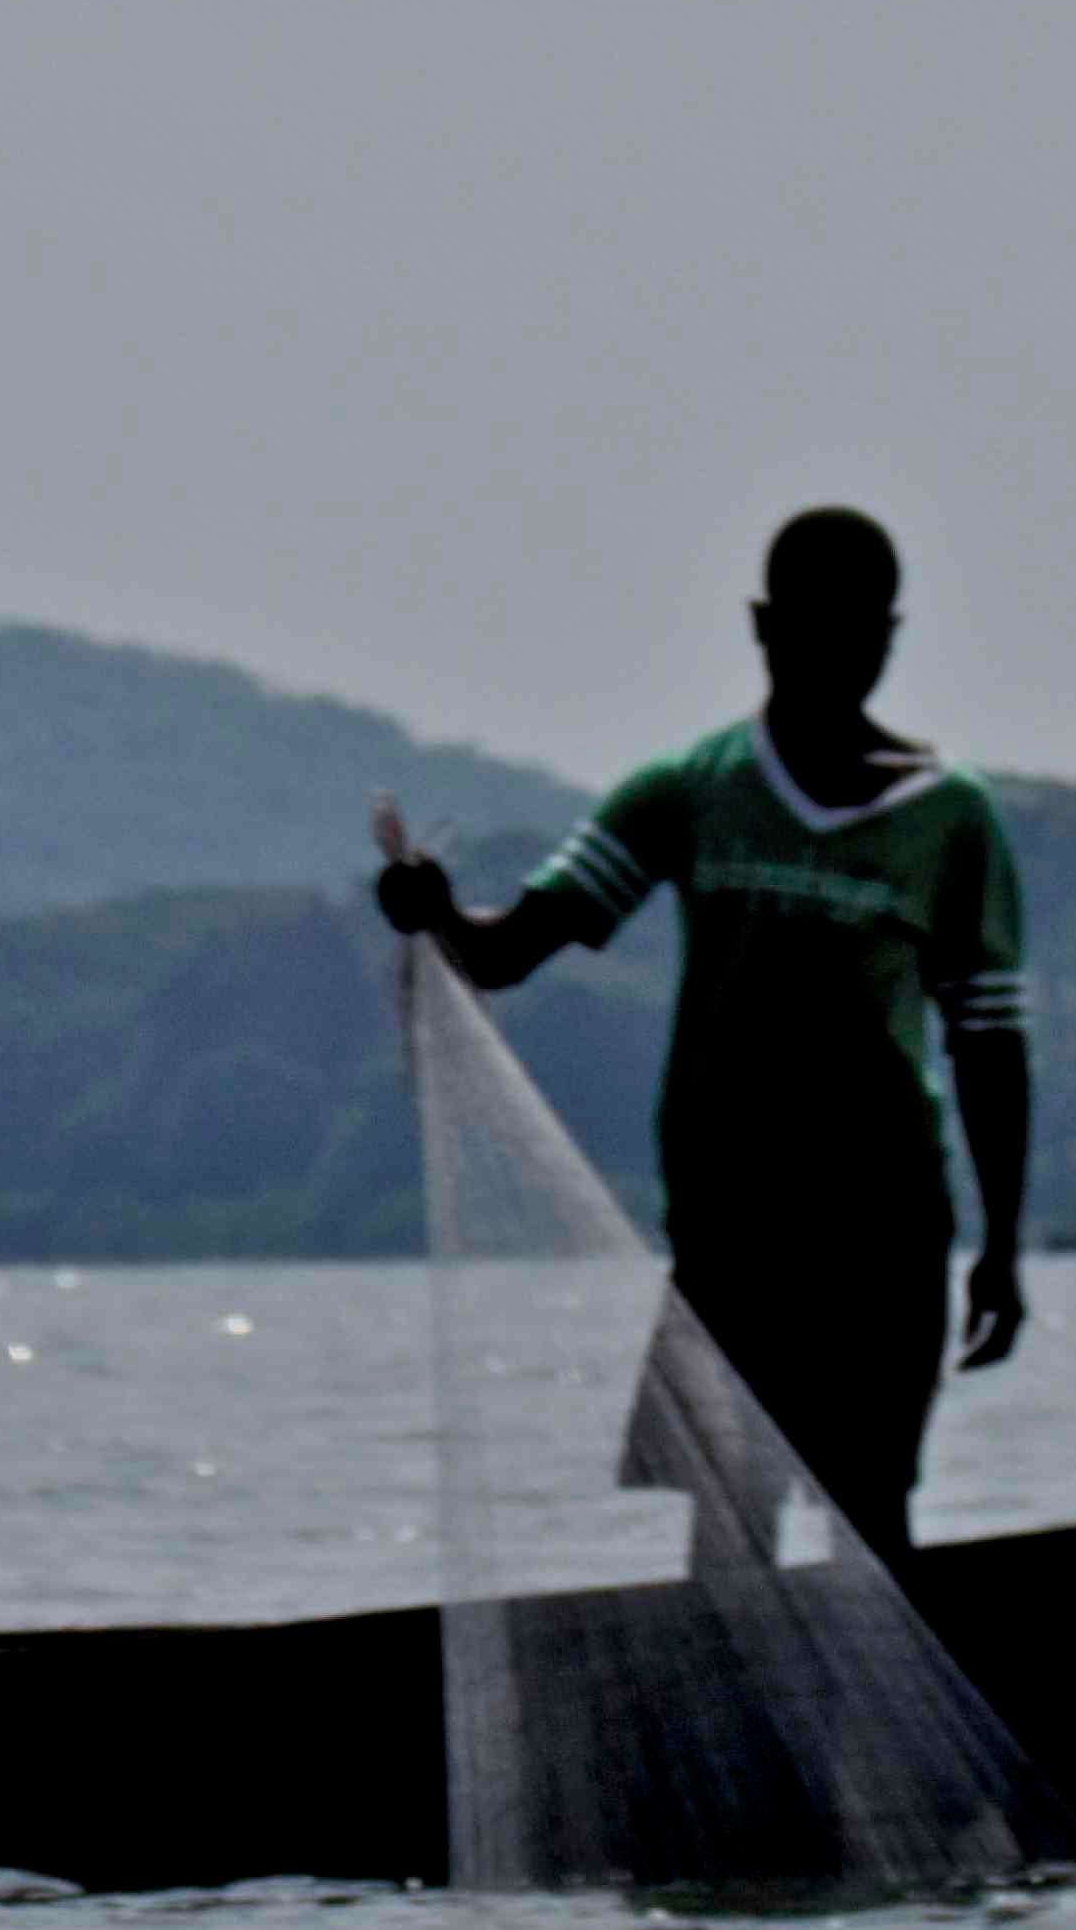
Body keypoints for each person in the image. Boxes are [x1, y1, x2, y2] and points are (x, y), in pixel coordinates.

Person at [372, 507, 1028, 1567]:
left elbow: (987, 1040)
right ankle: (742, 1730)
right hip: (728, 1220)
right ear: (764, 629)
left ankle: (871, 1727)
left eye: (864, 634)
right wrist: (434, 908)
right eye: (817, 629)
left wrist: (998, 1247)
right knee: (727, 1523)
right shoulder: (689, 792)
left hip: (884, 1220)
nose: (842, 655)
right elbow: (506, 950)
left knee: (870, 1505)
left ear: (889, 637)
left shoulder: (948, 818)